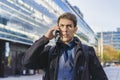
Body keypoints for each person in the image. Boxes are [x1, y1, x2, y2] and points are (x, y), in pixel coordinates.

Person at [22, 12, 108, 80]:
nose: (65, 30)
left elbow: (101, 77)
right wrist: (45, 38)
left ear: (75, 29)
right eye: (62, 26)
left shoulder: (87, 51)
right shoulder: (50, 52)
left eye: (69, 26)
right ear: (57, 29)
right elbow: (27, 62)